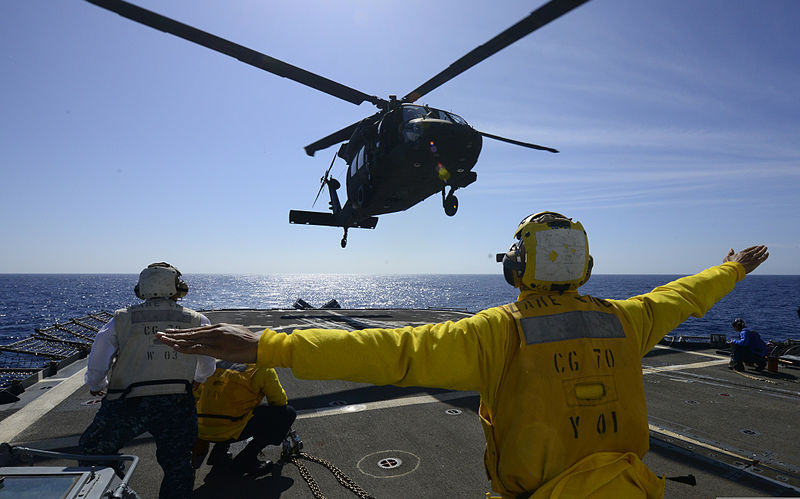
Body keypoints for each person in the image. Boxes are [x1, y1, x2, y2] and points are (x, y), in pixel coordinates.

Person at [157, 213, 769, 498]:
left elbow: (391, 352)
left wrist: (269, 342)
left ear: (516, 266)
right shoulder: (627, 320)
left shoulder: (496, 332)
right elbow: (683, 296)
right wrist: (732, 268)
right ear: (584, 266)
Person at [80, 262, 216, 499]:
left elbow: (99, 358)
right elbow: (207, 363)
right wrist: (198, 379)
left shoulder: (121, 319)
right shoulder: (197, 320)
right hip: (176, 403)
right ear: (177, 288)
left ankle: (117, 492)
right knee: (178, 463)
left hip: (126, 402)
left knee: (94, 450)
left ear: (140, 289)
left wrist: (96, 386)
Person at [192, 360, 296, 475]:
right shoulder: (261, 368)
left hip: (200, 430)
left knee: (224, 400)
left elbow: (195, 396)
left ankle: (219, 453)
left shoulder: (212, 363)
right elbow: (279, 402)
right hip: (231, 430)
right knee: (287, 414)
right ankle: (246, 459)